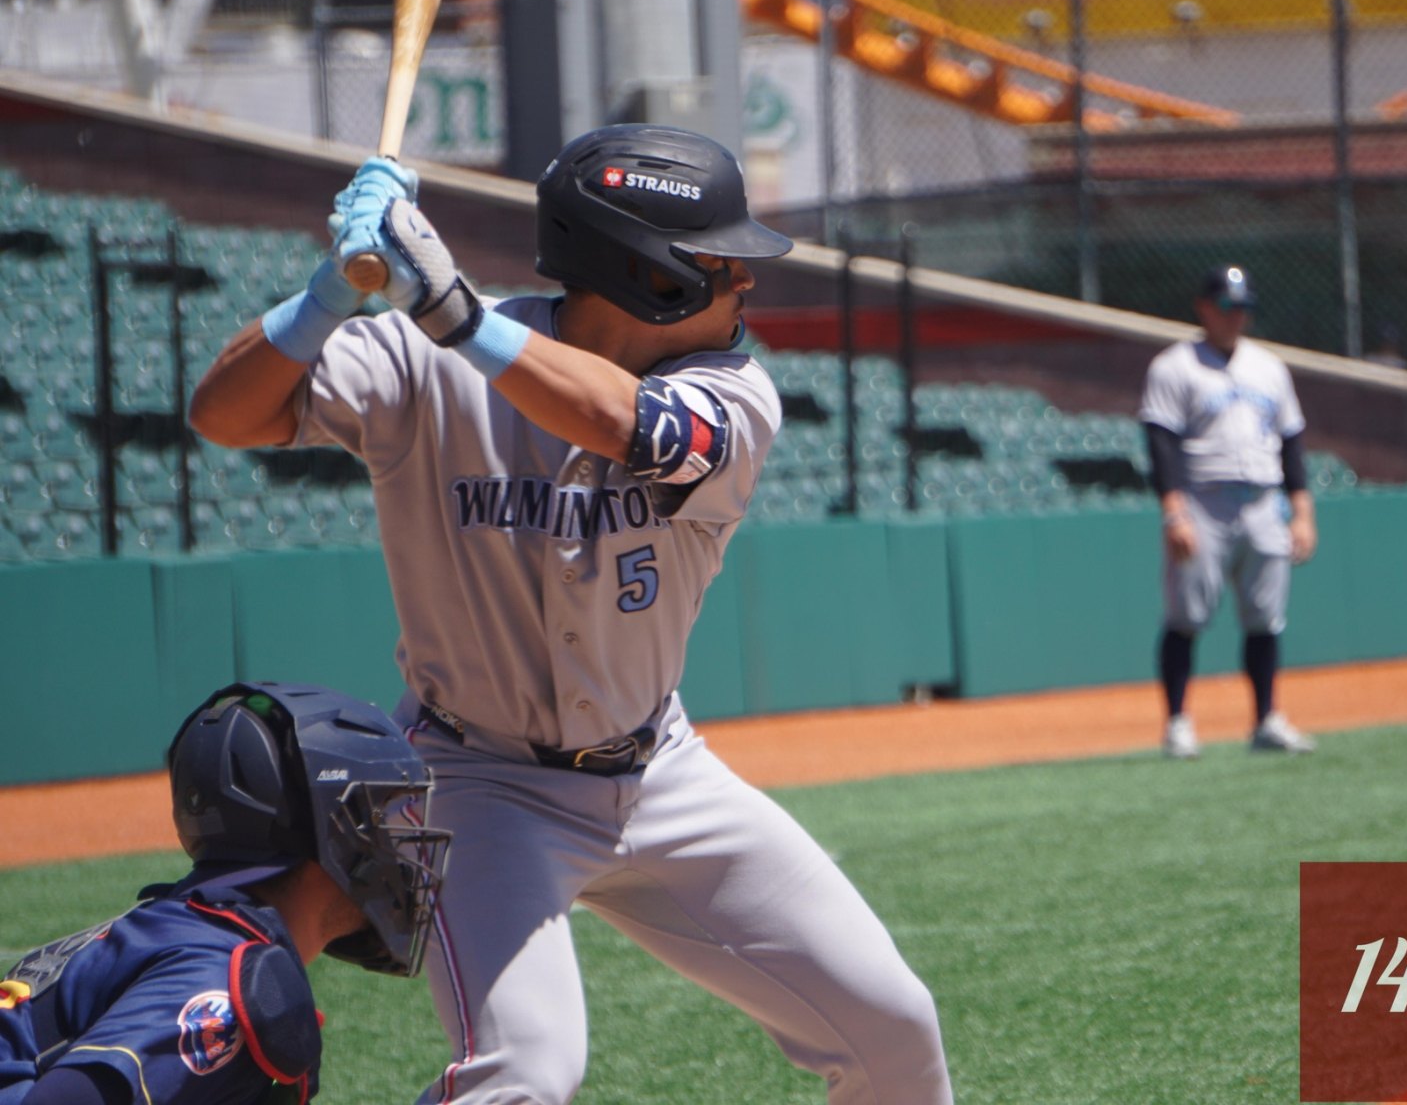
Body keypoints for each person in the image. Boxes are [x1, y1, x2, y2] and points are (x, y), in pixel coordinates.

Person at [187, 124, 953, 1105]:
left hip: (661, 776)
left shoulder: (735, 389)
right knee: (524, 1074)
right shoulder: (421, 361)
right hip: (481, 785)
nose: (746, 280)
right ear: (647, 272)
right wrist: (327, 295)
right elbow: (223, 414)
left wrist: (456, 315)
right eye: (719, 261)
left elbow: (628, 425)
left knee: (894, 1030)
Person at [0, 681, 449, 1105]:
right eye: (382, 815)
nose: (399, 843)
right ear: (332, 832)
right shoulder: (214, 979)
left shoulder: (177, 932)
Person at [1139, 264, 1319, 759]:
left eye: (1243, 307)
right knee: (1187, 616)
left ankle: (1266, 720)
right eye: (1226, 306)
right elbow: (1160, 443)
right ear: (1203, 308)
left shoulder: (1269, 367)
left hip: (1263, 501)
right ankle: (1178, 723)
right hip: (1203, 500)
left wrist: (1302, 512)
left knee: (1265, 618)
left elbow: (1292, 443)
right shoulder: (1174, 367)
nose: (1236, 315)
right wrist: (1174, 512)